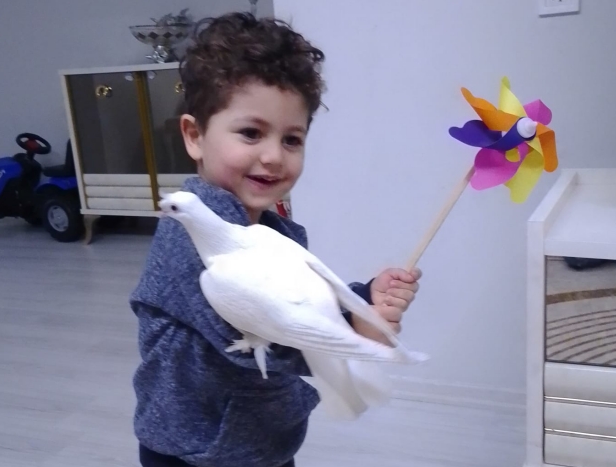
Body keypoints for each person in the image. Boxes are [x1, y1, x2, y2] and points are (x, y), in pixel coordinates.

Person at [129, 11, 422, 467]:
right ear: (195, 136)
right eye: (251, 133)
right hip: (194, 450)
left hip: (260, 439)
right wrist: (354, 333)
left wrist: (361, 301)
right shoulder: (188, 241)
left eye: (291, 140)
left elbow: (298, 299)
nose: (273, 156)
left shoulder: (269, 228)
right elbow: (259, 333)